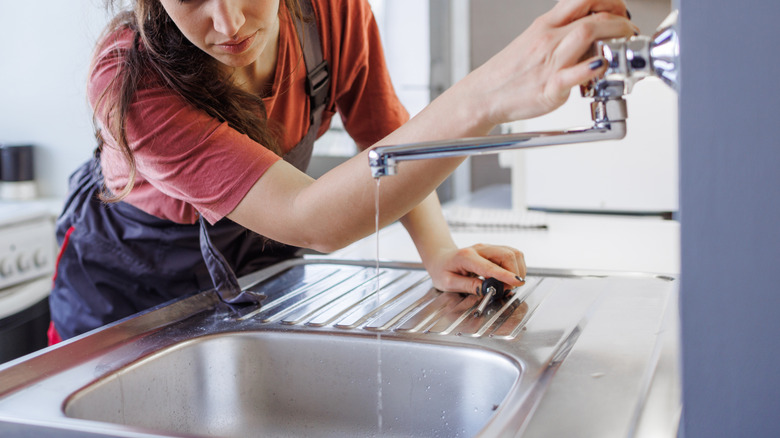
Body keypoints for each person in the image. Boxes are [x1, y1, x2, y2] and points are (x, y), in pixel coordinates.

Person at [49, 0, 637, 342]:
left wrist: (437, 251)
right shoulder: (132, 84)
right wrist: (484, 99)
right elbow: (310, 219)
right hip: (124, 282)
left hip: (256, 262)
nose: (227, 24)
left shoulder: (330, 14)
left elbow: (385, 136)